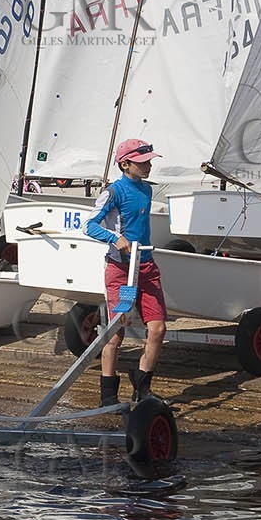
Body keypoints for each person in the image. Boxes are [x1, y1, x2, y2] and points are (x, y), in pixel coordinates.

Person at [84, 139, 166, 406]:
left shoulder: (147, 191)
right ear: (125, 164)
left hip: (146, 266)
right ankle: (108, 396)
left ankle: (142, 388)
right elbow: (89, 226)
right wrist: (114, 238)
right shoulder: (113, 192)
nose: (149, 166)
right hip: (121, 270)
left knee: (157, 329)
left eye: (150, 162)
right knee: (117, 332)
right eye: (143, 163)